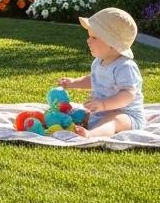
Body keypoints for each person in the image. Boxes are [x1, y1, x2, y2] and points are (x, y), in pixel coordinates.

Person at [59, 7, 145, 138]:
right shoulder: (98, 62)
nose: (88, 40)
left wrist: (104, 104)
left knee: (113, 120)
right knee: (81, 115)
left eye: (94, 37)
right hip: (100, 111)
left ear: (112, 43)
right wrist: (73, 83)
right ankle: (66, 123)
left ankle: (91, 135)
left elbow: (128, 94)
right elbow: (94, 80)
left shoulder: (125, 66)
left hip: (127, 115)